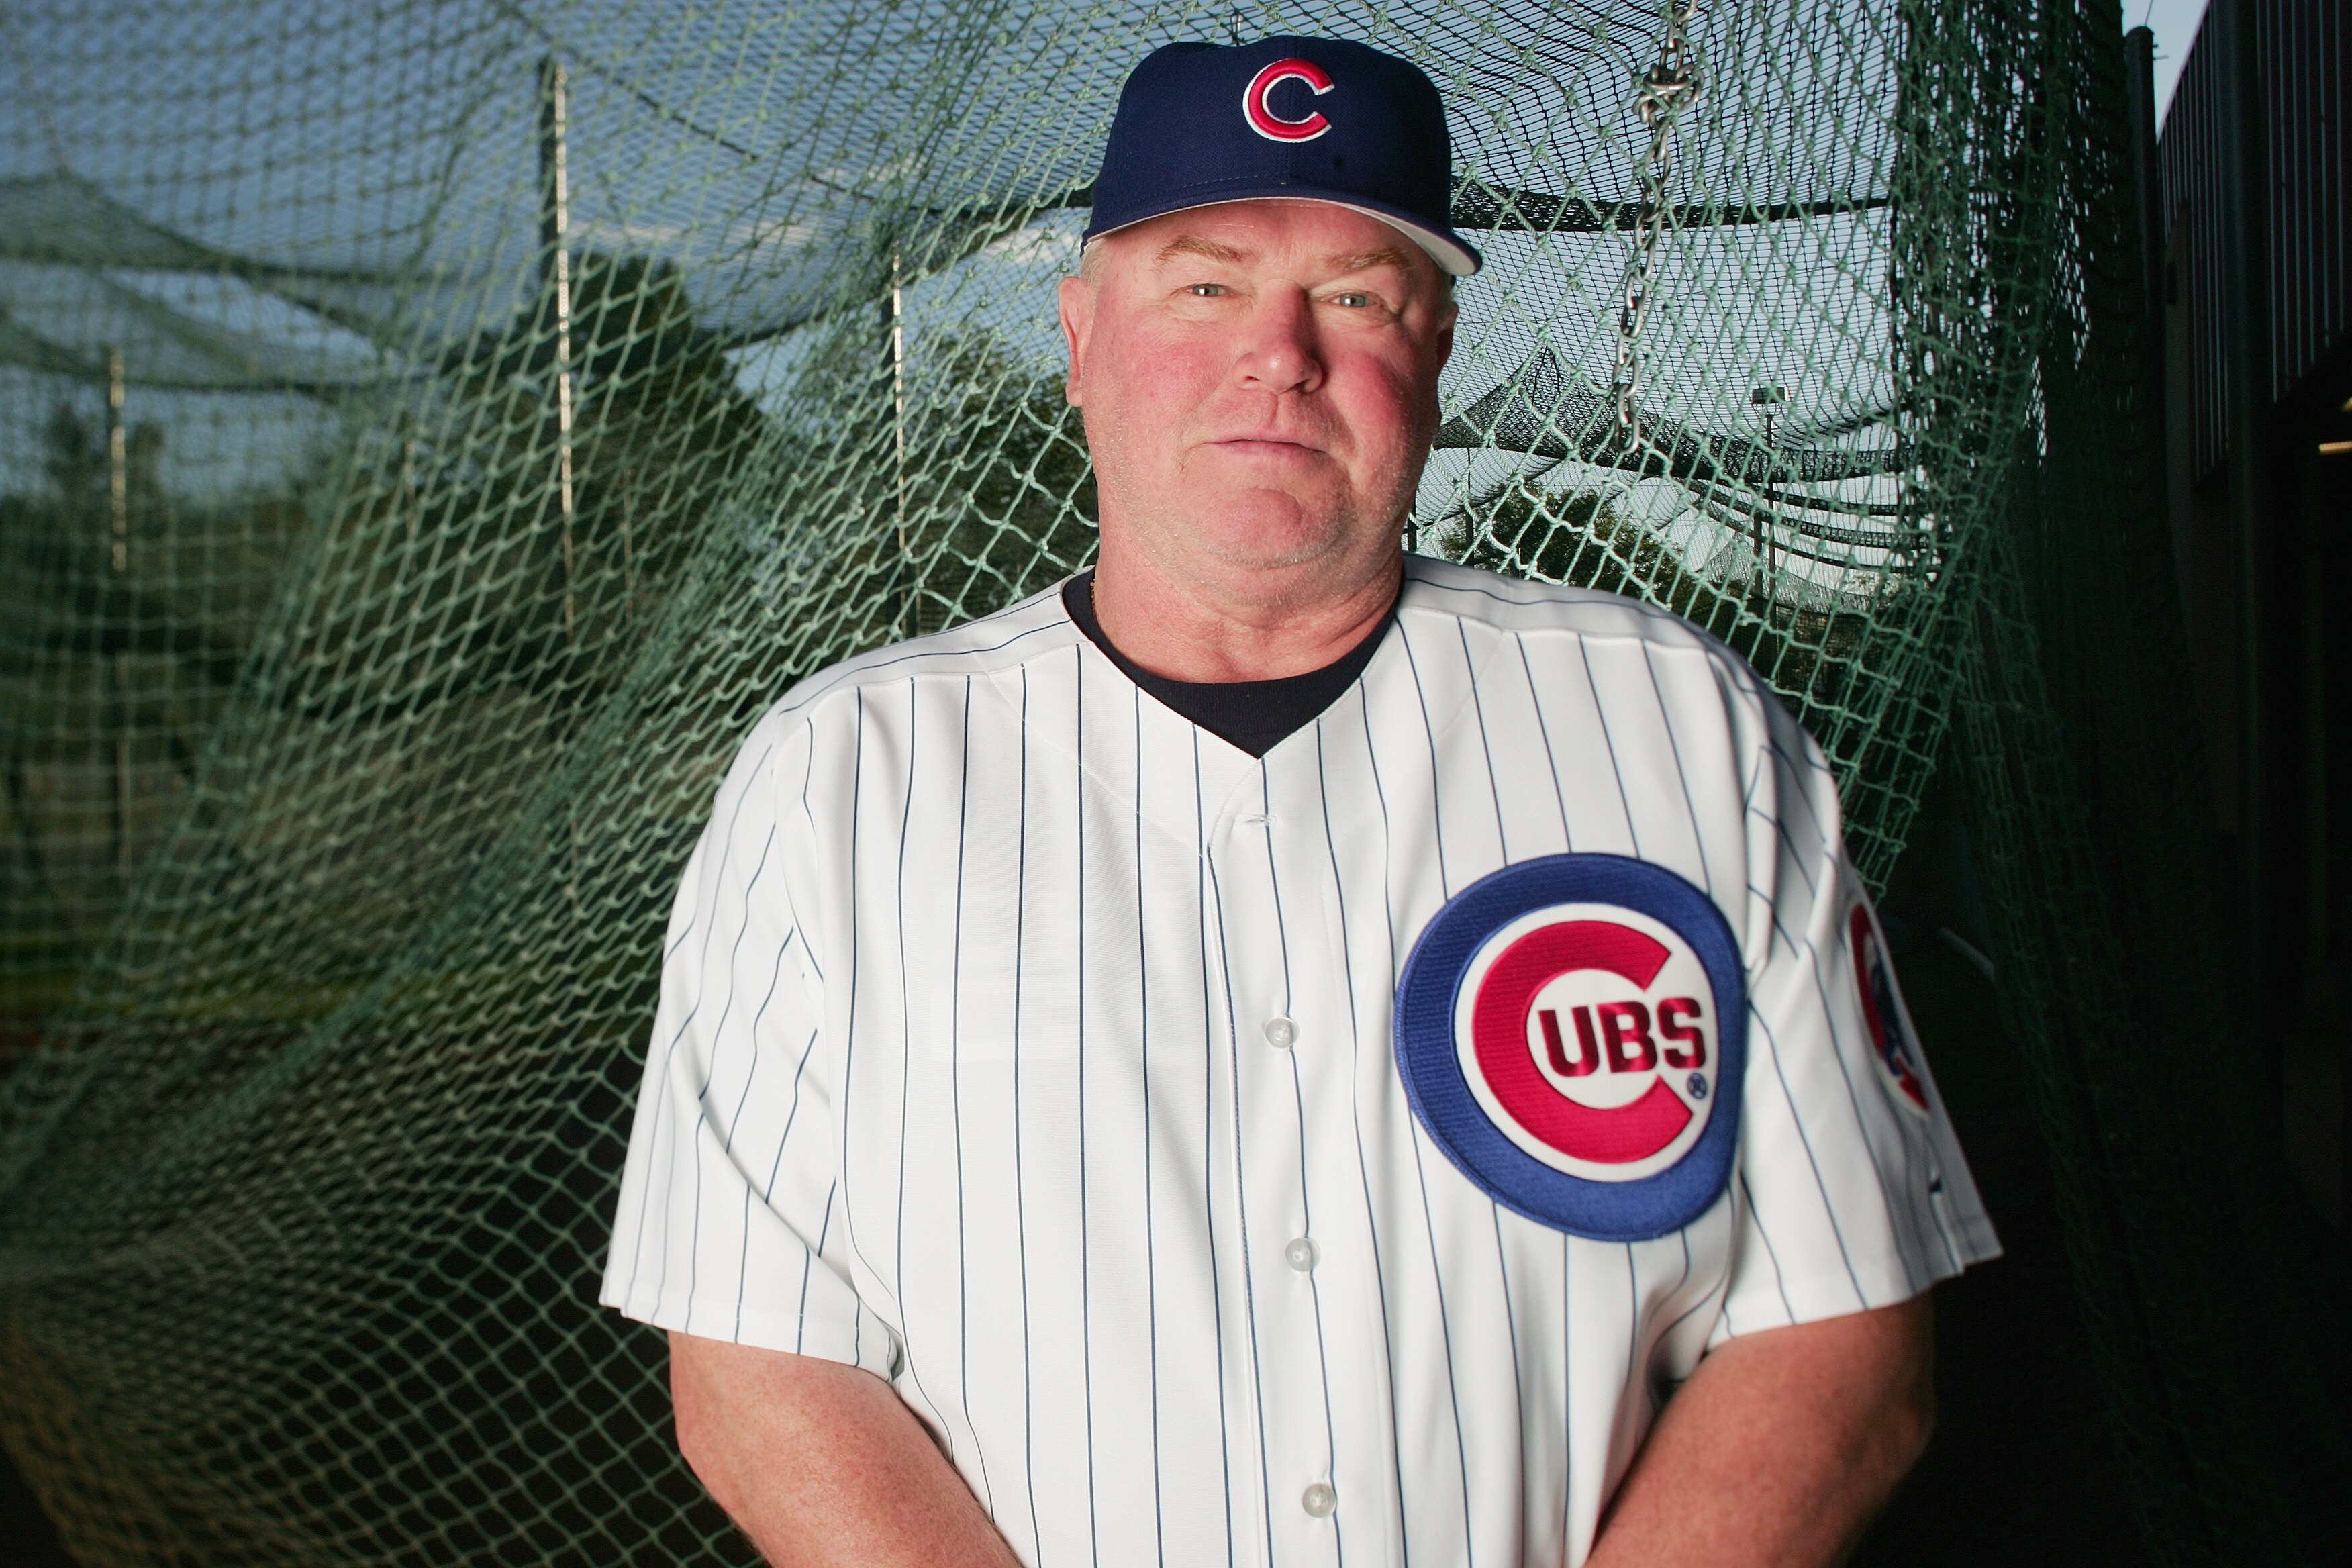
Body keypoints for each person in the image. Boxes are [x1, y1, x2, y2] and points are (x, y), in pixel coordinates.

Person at [603, 35, 1998, 1568]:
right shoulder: (839, 776)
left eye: (1355, 294)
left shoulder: (1687, 728)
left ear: (1439, 347)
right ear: (1078, 336)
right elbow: (754, 1365)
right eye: (1205, 284)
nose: (1281, 350)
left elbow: (1846, 1330)